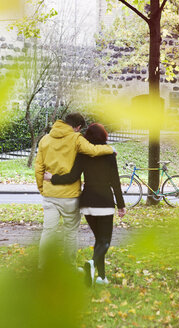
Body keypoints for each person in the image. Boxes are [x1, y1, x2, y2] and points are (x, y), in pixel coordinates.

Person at [44, 123, 126, 285]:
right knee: (105, 241)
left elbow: (73, 176)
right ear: (104, 136)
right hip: (104, 202)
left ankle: (102, 278)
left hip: (87, 202)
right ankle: (91, 264)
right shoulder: (109, 154)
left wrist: (52, 177)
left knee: (99, 240)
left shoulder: (83, 154)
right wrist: (121, 205)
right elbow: (115, 182)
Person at [35, 113, 114, 269]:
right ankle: (69, 266)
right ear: (77, 127)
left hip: (50, 195)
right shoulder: (76, 138)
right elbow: (92, 150)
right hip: (70, 196)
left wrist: (42, 189)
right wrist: (110, 149)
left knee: (48, 232)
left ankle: (42, 266)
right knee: (70, 233)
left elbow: (39, 167)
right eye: (79, 129)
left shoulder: (45, 139)